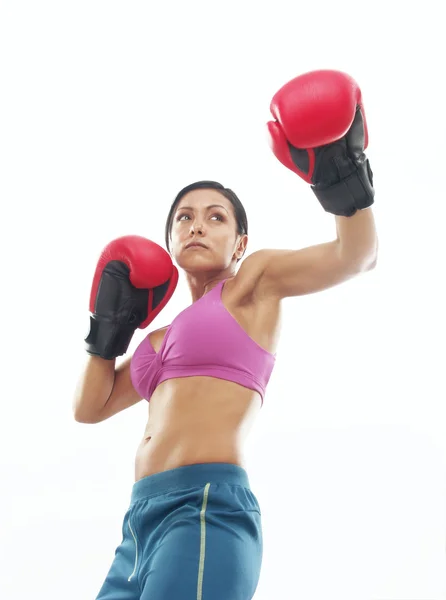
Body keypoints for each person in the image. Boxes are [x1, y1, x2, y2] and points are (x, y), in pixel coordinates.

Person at [73, 69, 378, 600]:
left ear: (239, 243)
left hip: (206, 505)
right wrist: (107, 332)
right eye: (184, 218)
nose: (197, 225)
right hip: (139, 523)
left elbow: (356, 256)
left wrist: (342, 181)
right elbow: (89, 407)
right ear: (170, 238)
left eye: (216, 218)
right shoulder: (156, 340)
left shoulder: (250, 286)